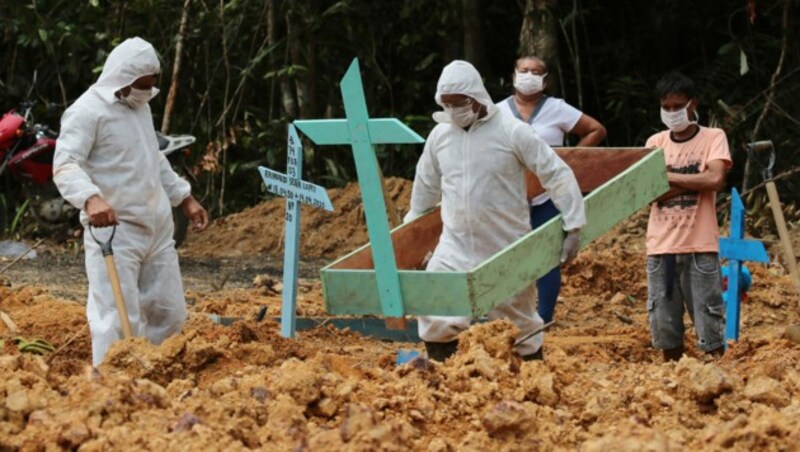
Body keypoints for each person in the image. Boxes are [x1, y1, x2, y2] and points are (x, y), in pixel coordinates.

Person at [405, 60, 586, 362]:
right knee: (435, 303)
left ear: (476, 98)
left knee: (518, 323)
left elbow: (555, 173)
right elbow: (424, 188)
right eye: (447, 104)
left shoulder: (511, 130)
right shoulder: (440, 136)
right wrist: (412, 238)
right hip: (454, 245)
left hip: (506, 245)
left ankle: (531, 377)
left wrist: (573, 224)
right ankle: (443, 374)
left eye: (459, 103)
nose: (454, 110)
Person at [53, 37, 210, 366]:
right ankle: (113, 386)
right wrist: (91, 199)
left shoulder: (141, 107)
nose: (147, 92)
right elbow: (66, 165)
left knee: (169, 314)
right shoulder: (86, 112)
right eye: (141, 85)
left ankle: (156, 375)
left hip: (157, 232)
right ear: (122, 79)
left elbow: (154, 158)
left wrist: (185, 198)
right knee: (115, 317)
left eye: (151, 85)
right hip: (115, 234)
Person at [496, 55, 606, 324]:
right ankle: (507, 318)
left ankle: (544, 318)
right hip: (509, 197)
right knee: (507, 258)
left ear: (545, 81)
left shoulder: (557, 108)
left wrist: (569, 161)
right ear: (513, 76)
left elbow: (595, 130)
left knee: (547, 257)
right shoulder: (496, 111)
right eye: (524, 70)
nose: (529, 76)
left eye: (536, 72)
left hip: (548, 196)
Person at [644, 71, 731, 361]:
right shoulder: (655, 142)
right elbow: (648, 193)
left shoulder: (713, 137)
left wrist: (666, 177)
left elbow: (715, 180)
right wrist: (696, 176)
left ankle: (720, 377)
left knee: (710, 320)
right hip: (661, 247)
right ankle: (674, 380)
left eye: (677, 106)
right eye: (666, 107)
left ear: (692, 104)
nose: (671, 113)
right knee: (665, 323)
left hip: (700, 245)